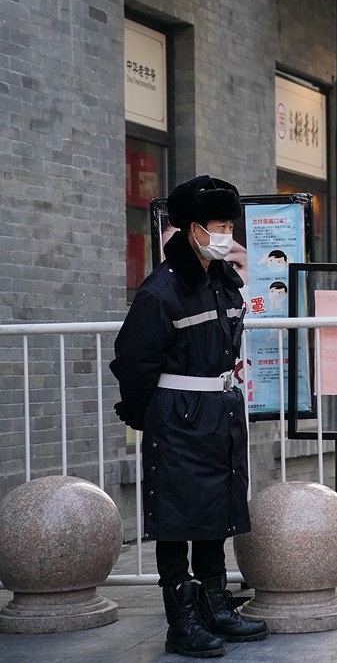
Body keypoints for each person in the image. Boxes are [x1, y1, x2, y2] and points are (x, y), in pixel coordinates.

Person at [110, 175, 269, 658]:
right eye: (219, 226)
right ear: (194, 228)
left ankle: (216, 606)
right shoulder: (162, 291)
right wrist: (147, 415)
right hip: (178, 417)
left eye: (229, 225)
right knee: (178, 515)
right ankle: (182, 621)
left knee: (214, 509)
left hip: (218, 412)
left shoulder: (222, 281)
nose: (227, 234)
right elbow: (133, 360)